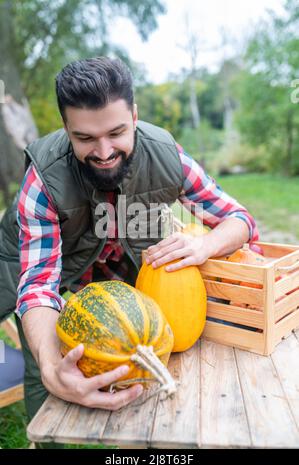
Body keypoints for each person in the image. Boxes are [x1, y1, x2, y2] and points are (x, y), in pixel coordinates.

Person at [0, 57, 259, 426]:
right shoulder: (43, 181)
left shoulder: (168, 155)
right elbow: (39, 285)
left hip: (116, 266)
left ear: (135, 116)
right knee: (45, 362)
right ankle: (46, 434)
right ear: (66, 127)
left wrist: (205, 245)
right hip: (30, 260)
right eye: (85, 138)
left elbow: (240, 220)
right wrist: (50, 365)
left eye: (117, 133)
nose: (104, 152)